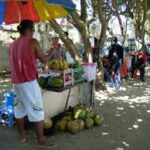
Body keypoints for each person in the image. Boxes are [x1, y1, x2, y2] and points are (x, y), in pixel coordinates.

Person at [8, 19, 56, 149]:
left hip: (16, 83)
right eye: (33, 30)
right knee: (37, 110)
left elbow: (20, 59)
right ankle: (41, 140)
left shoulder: (12, 45)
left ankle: (22, 135)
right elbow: (45, 60)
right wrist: (53, 50)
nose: (34, 33)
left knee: (19, 109)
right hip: (29, 83)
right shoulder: (32, 42)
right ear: (28, 30)